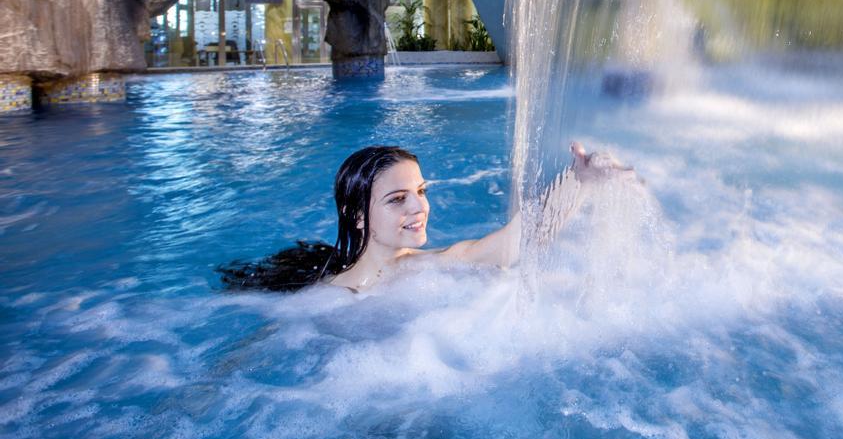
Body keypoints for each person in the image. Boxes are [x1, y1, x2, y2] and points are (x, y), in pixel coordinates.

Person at [218, 142, 618, 293]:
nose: (419, 208)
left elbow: (511, 244)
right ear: (357, 216)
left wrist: (578, 181)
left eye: (421, 192)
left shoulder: (430, 267)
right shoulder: (325, 301)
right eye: (397, 199)